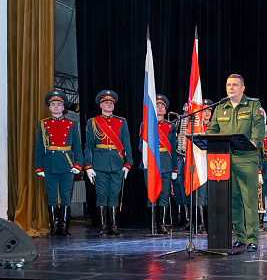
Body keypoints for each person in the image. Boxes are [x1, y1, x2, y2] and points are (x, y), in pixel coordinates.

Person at [205, 74, 265, 251]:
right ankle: (240, 237)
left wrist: (255, 141)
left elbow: (259, 127)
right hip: (224, 159)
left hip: (246, 157)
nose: (231, 88)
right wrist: (206, 136)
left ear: (243, 88)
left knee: (249, 200)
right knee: (234, 200)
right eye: (228, 85)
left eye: (235, 85)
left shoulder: (253, 105)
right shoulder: (221, 107)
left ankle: (252, 238)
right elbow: (212, 129)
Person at [84, 90, 133, 237]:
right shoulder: (93, 122)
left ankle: (114, 226)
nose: (109, 104)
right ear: (100, 105)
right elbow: (89, 145)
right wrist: (88, 166)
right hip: (99, 164)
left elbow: (126, 144)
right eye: (106, 102)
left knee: (114, 194)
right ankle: (103, 226)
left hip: (117, 163)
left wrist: (128, 164)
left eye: (111, 103)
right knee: (101, 194)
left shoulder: (121, 121)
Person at [35, 90, 83, 236]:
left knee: (65, 196)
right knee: (52, 196)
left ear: (63, 107)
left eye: (59, 104)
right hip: (49, 164)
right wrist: (39, 166)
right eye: (53, 104)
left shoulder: (71, 124)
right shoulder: (43, 124)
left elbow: (77, 146)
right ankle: (54, 227)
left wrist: (78, 164)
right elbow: (39, 147)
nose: (56, 106)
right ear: (49, 107)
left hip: (67, 164)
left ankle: (64, 226)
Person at [138, 94, 178, 234]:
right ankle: (153, 224)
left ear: (166, 110)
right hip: (151, 163)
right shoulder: (145, 124)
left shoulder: (170, 126)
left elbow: (173, 148)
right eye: (157, 106)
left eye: (162, 106)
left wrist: (175, 168)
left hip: (166, 163)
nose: (160, 108)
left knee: (164, 195)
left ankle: (162, 224)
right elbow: (140, 145)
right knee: (152, 194)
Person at [192, 98, 215, 233]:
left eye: (209, 110)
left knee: (211, 194)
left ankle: (211, 222)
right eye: (204, 110)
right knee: (201, 194)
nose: (207, 113)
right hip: (200, 162)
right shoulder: (196, 128)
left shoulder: (215, 127)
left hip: (213, 164)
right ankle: (201, 224)